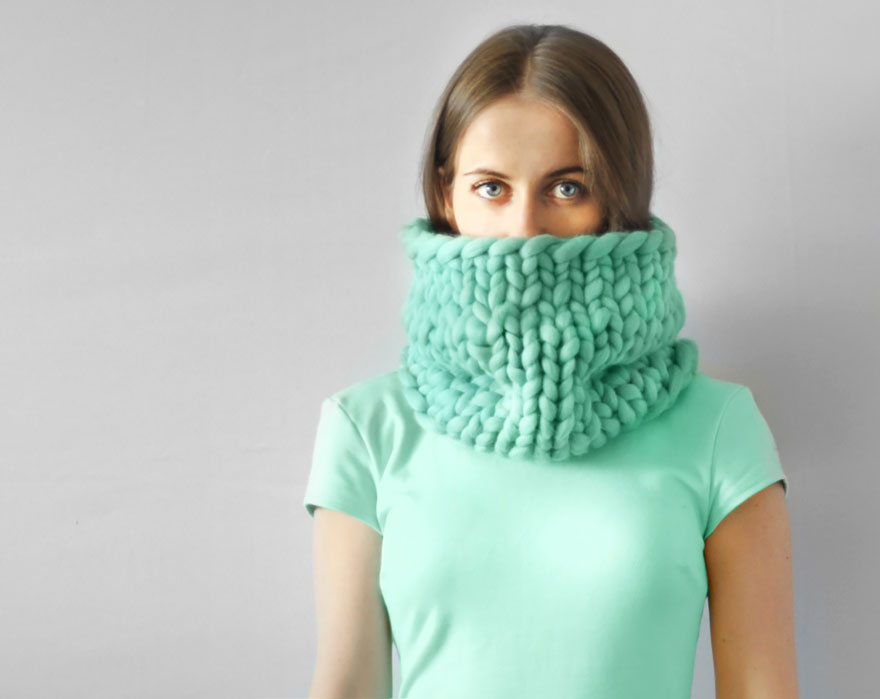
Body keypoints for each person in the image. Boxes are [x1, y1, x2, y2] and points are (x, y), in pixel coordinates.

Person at [303, 23, 797, 699]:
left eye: (567, 188)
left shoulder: (719, 427)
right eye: (492, 188)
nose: (524, 230)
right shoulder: (367, 428)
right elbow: (348, 687)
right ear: (446, 195)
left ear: (618, 197)